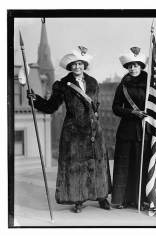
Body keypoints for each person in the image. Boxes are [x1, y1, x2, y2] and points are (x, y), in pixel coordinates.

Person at [26, 46, 112, 213]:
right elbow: (51, 106)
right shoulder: (63, 84)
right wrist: (35, 99)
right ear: (69, 66)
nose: (77, 67)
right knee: (75, 166)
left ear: (84, 65)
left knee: (98, 163)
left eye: (80, 63)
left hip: (94, 130)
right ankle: (78, 199)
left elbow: (95, 105)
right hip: (74, 131)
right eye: (74, 64)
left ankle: (102, 196)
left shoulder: (93, 82)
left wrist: (95, 121)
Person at [111, 47, 150, 211]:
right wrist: (132, 112)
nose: (132, 69)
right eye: (130, 66)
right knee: (124, 165)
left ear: (141, 66)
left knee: (140, 165)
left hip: (144, 130)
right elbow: (115, 108)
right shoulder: (123, 86)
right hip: (126, 130)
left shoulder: (150, 84)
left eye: (135, 65)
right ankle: (123, 199)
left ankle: (141, 199)